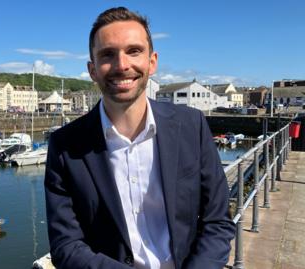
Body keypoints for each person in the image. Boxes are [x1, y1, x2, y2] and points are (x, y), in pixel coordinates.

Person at [44, 7, 235, 269]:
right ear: (93, 69)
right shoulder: (65, 146)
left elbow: (218, 221)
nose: (122, 65)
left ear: (152, 62)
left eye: (134, 51)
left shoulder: (192, 126)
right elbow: (65, 245)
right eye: (107, 54)